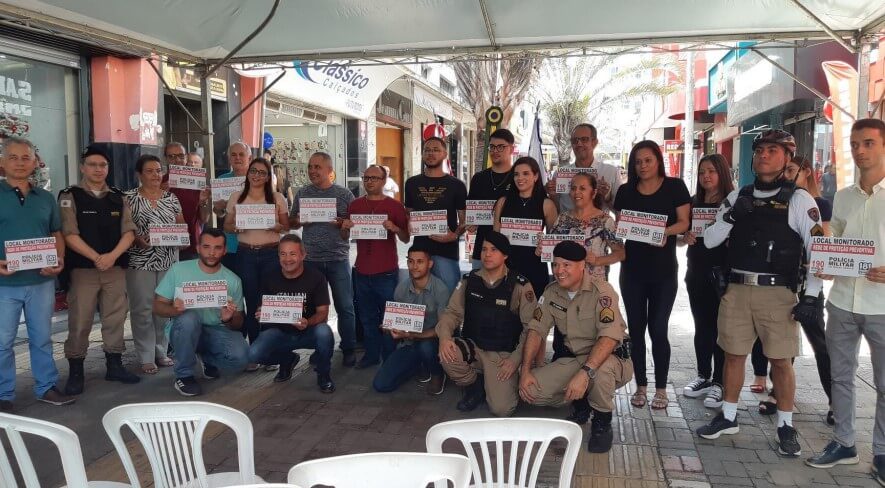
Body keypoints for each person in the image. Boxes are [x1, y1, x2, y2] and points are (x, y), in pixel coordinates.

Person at [696, 130, 823, 458]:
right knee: (733, 356)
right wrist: (734, 215)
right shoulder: (739, 194)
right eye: (760, 150)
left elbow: (817, 250)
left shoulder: (799, 199)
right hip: (737, 289)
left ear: (787, 158)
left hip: (776, 293)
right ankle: (728, 416)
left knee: (781, 361)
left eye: (773, 151)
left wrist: (811, 296)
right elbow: (709, 240)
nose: (764, 155)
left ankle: (785, 424)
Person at [805, 119, 885, 481]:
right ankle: (844, 443)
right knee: (841, 377)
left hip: (882, 304)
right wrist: (825, 247)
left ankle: (882, 453)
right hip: (841, 301)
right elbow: (837, 230)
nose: (860, 150)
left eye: (868, 143)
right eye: (854, 144)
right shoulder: (843, 194)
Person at [518, 241, 633, 452]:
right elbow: (536, 330)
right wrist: (526, 370)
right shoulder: (552, 291)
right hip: (577, 359)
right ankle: (584, 400)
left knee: (600, 372)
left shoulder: (602, 292)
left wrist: (584, 374)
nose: (559, 271)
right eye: (555, 265)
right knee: (532, 391)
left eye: (566, 265)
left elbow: (608, 339)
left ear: (582, 265)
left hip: (611, 359)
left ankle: (602, 422)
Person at [751, 155, 833, 423]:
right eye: (784, 170)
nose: (785, 175)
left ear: (806, 172)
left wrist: (814, 281)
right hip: (782, 283)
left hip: (809, 283)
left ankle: (835, 400)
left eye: (791, 170)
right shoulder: (779, 200)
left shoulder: (818, 204)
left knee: (819, 342)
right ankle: (778, 393)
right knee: (782, 346)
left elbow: (822, 243)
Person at [613, 140, 690, 410]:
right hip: (632, 271)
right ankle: (641, 386)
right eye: (638, 161)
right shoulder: (625, 191)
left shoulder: (675, 187)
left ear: (658, 160)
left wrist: (664, 233)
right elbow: (621, 224)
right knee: (636, 329)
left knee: (658, 329)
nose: (643, 165)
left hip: (663, 272)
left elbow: (684, 222)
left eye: (648, 160)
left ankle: (661, 388)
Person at [58, 145, 140, 396]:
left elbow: (129, 232)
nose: (98, 169)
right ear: (83, 167)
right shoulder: (69, 196)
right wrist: (97, 258)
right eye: (92, 164)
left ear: (108, 168)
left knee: (115, 318)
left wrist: (111, 257)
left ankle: (114, 365)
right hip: (84, 270)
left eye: (102, 165)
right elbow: (69, 234)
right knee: (80, 320)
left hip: (114, 268)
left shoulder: (118, 196)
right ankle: (76, 370)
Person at [0, 137, 74, 410]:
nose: (20, 163)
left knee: (42, 337)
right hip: (4, 284)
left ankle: (46, 387)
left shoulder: (45, 198)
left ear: (34, 162)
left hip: (41, 281)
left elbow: (56, 232)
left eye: (25, 157)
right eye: (13, 157)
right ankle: (3, 394)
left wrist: (59, 258)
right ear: (2, 162)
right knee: (2, 341)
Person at [436, 231, 537, 417]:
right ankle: (475, 386)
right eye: (483, 250)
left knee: (502, 409)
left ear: (505, 255)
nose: (487, 254)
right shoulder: (469, 280)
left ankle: (493, 383)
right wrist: (444, 338)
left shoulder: (520, 285)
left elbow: (532, 329)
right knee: (447, 355)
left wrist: (515, 360)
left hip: (502, 355)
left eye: (494, 250)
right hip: (473, 349)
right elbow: (452, 313)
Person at [153, 228, 248, 396]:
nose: (212, 252)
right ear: (198, 248)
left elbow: (239, 322)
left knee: (242, 357)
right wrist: (174, 310)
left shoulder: (233, 280)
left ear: (225, 250)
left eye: (218, 247)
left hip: (215, 329)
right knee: (189, 319)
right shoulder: (178, 270)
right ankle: (184, 375)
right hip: (183, 329)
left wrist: (228, 319)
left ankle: (206, 358)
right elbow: (157, 306)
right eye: (206, 247)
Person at [290, 151, 357, 367]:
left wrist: (343, 225)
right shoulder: (302, 193)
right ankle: (319, 349)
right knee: (313, 308)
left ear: (329, 170)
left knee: (345, 306)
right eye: (310, 167)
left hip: (338, 258)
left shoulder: (345, 194)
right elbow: (292, 222)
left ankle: (348, 348)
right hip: (311, 260)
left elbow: (352, 227)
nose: (312, 171)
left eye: (317, 167)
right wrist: (300, 221)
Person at [247, 234, 335, 392]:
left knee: (325, 332)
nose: (287, 259)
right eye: (283, 254)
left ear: (303, 255)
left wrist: (308, 322)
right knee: (253, 354)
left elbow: (323, 313)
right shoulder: (269, 276)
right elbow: (263, 307)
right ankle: (287, 360)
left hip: (308, 330)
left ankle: (323, 374)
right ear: (278, 255)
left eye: (293, 254)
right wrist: (261, 313)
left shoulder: (316, 277)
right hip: (279, 332)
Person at [679, 154, 733, 409]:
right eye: (702, 172)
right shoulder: (693, 203)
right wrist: (685, 237)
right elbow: (679, 234)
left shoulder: (732, 203)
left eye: (711, 171)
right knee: (702, 327)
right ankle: (704, 375)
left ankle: (720, 383)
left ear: (722, 173)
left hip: (724, 276)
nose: (706, 177)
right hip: (696, 272)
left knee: (723, 329)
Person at [341, 165, 409, 368]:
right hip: (361, 271)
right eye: (366, 177)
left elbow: (406, 238)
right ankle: (371, 355)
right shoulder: (355, 205)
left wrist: (395, 228)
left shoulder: (395, 206)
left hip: (386, 272)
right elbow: (344, 237)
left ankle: (389, 357)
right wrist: (344, 229)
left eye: (374, 178)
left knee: (388, 318)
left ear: (384, 180)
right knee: (367, 318)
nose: (369, 181)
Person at [125, 154, 185, 375]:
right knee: (142, 309)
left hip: (168, 260)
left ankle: (161, 350)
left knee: (163, 309)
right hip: (140, 260)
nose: (155, 175)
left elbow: (182, 227)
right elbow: (126, 228)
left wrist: (181, 239)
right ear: (139, 174)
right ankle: (145, 355)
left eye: (158, 170)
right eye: (149, 171)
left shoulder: (171, 198)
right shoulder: (128, 198)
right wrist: (137, 239)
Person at [224, 157, 289, 358]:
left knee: (269, 303)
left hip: (271, 253)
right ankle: (255, 352)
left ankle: (270, 351)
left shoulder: (278, 198)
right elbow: (226, 226)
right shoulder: (236, 197)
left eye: (262, 172)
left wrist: (278, 226)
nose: (257, 176)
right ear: (248, 173)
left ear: (269, 177)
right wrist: (236, 227)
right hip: (246, 254)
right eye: (254, 171)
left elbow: (286, 227)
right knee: (251, 302)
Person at [372, 246, 451, 395]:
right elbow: (396, 321)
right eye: (411, 261)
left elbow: (443, 329)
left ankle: (437, 373)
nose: (414, 266)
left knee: (426, 347)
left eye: (420, 262)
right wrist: (389, 327)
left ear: (430, 264)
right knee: (381, 385)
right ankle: (416, 365)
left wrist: (411, 335)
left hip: (432, 341)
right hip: (408, 342)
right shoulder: (401, 288)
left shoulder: (441, 290)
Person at [404, 137, 467, 292]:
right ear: (422, 154)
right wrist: (408, 224)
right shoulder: (411, 183)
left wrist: (454, 235)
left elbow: (464, 221)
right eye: (427, 150)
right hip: (419, 254)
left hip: (446, 253)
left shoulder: (457, 185)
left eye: (436, 150)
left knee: (449, 302)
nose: (431, 153)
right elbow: (408, 215)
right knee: (421, 302)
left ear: (445, 154)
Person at [492, 156, 557, 297]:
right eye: (516, 174)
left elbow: (554, 243)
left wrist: (544, 246)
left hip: (535, 267)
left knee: (534, 313)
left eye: (526, 173)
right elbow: (495, 240)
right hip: (506, 268)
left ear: (536, 176)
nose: (520, 178)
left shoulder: (547, 204)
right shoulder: (502, 202)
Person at [543, 172, 624, 282]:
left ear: (593, 193)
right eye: (573, 188)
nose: (577, 192)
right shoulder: (562, 218)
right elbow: (552, 249)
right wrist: (542, 249)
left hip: (593, 286)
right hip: (565, 284)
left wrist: (597, 260)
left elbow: (620, 253)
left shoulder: (605, 220)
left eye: (582, 188)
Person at [466, 128, 515, 269]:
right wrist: (470, 224)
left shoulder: (519, 178)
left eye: (501, 147)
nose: (495, 151)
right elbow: (471, 216)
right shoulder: (478, 179)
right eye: (492, 147)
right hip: (482, 251)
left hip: (511, 252)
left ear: (511, 149)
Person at [546, 124, 622, 213]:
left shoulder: (611, 172)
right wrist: (552, 195)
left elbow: (619, 210)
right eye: (575, 140)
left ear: (594, 142)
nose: (579, 144)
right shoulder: (559, 174)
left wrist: (606, 196)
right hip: (567, 226)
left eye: (584, 139)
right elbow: (555, 211)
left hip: (600, 225)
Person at [163, 142, 210, 261]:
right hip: (164, 243)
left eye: (181, 156)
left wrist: (203, 202)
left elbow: (204, 219)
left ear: (186, 158)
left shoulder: (197, 182)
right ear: (166, 159)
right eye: (171, 156)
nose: (177, 160)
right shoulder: (160, 182)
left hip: (190, 245)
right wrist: (160, 194)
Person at [213, 142, 252, 271]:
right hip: (231, 244)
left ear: (249, 158)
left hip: (252, 242)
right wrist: (220, 208)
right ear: (229, 159)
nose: (237, 158)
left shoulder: (258, 180)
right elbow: (219, 213)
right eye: (233, 155)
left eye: (241, 154)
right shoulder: (222, 179)